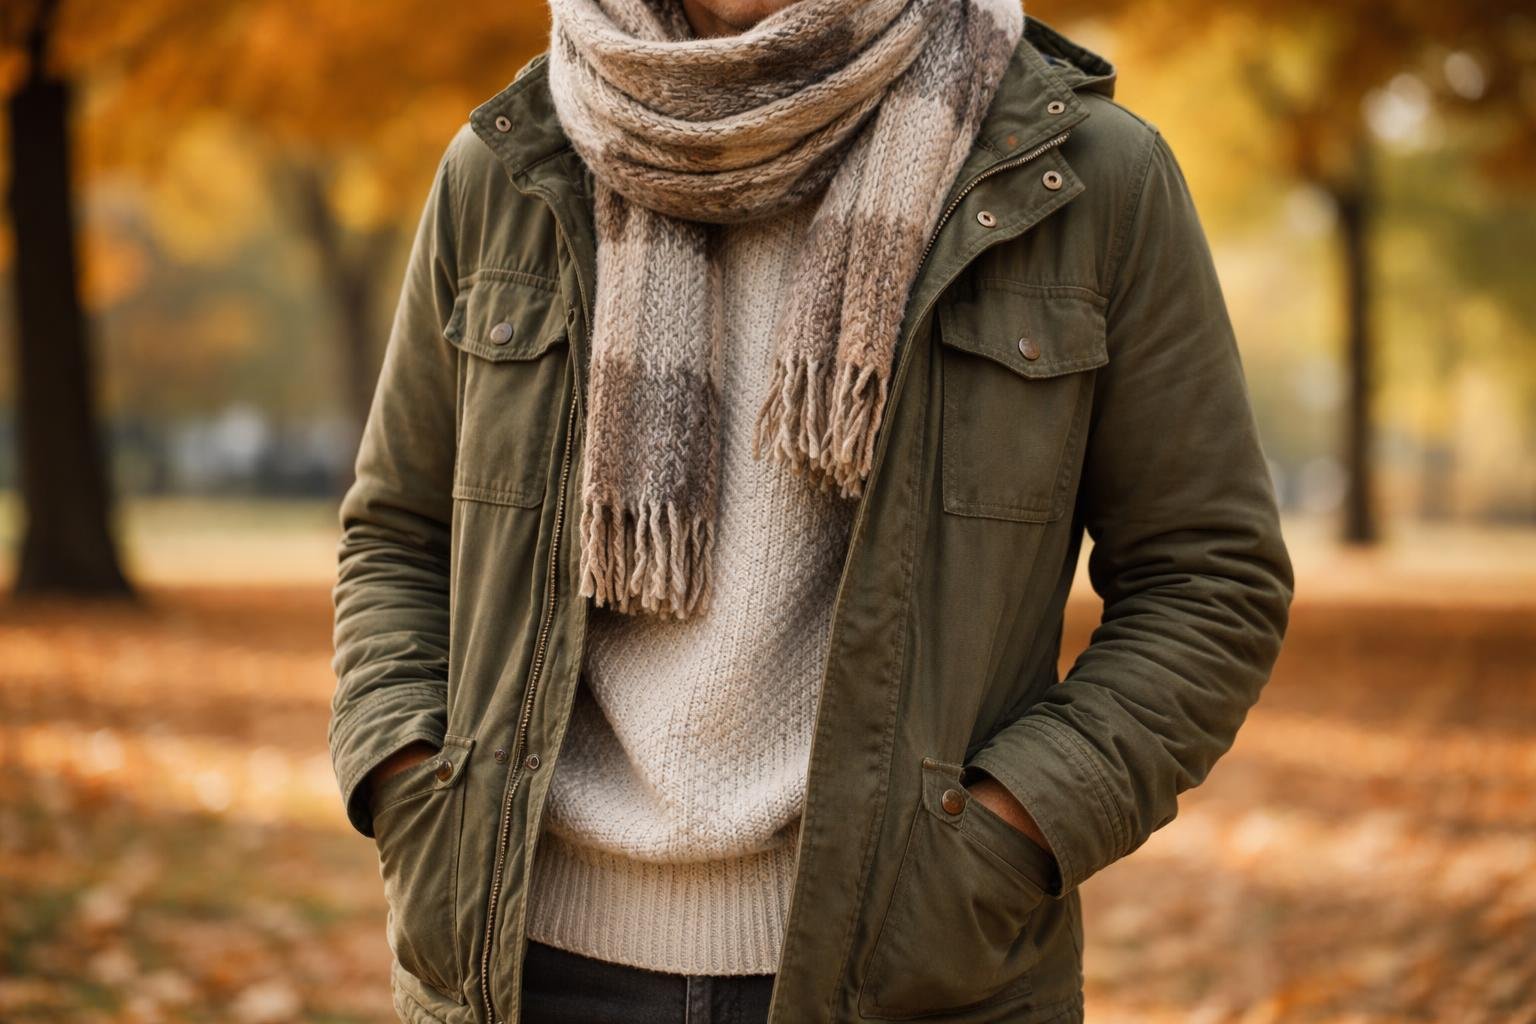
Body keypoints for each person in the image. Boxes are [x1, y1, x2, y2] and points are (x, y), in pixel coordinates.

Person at [328, 0, 1294, 1021]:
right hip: (531, 961)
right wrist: (409, 778)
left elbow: (1210, 579)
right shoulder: (509, 165)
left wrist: (1006, 834)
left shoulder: (1085, 177)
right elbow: (400, 535)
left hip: (906, 972)